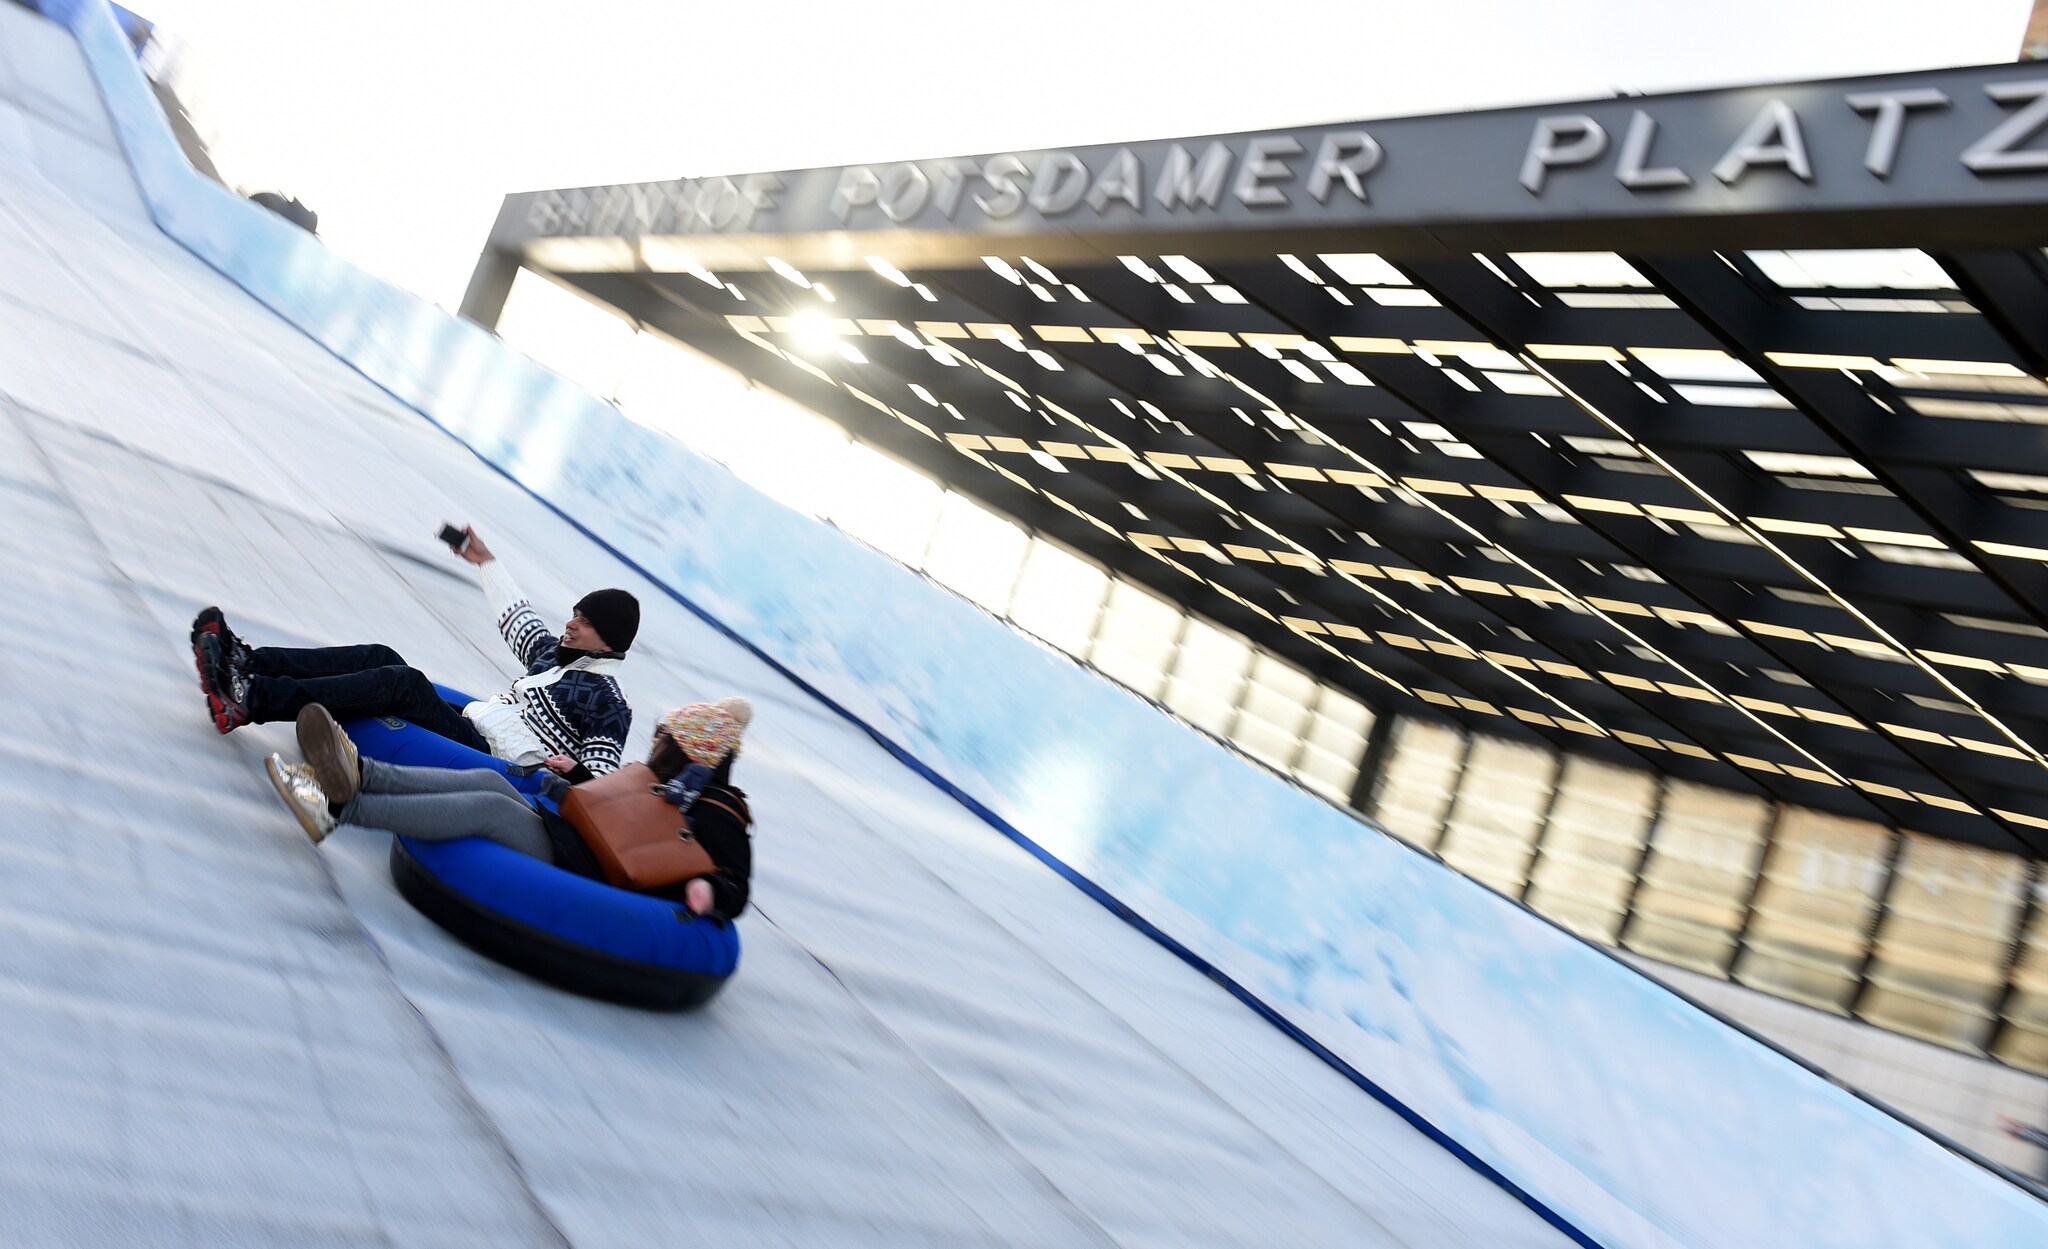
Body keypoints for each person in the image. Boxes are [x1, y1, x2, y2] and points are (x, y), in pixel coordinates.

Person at [195, 527, 638, 781]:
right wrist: (486, 561)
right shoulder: (554, 656)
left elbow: (600, 774)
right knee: (381, 655)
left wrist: (571, 771)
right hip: (474, 723)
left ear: (608, 641)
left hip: (494, 756)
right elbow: (516, 616)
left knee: (402, 684)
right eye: (574, 614)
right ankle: (248, 664)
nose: (571, 623)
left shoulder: (609, 703)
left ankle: (251, 700)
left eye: (584, 621)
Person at [266, 698, 755, 920]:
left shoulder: (719, 809)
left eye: (662, 739)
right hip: (579, 843)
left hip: (592, 872)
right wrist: (580, 779)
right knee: (487, 780)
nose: (653, 744)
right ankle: (360, 775)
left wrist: (708, 891)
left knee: (489, 809)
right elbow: (628, 820)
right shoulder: (664, 786)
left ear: (685, 750)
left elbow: (734, 882)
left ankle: (333, 808)